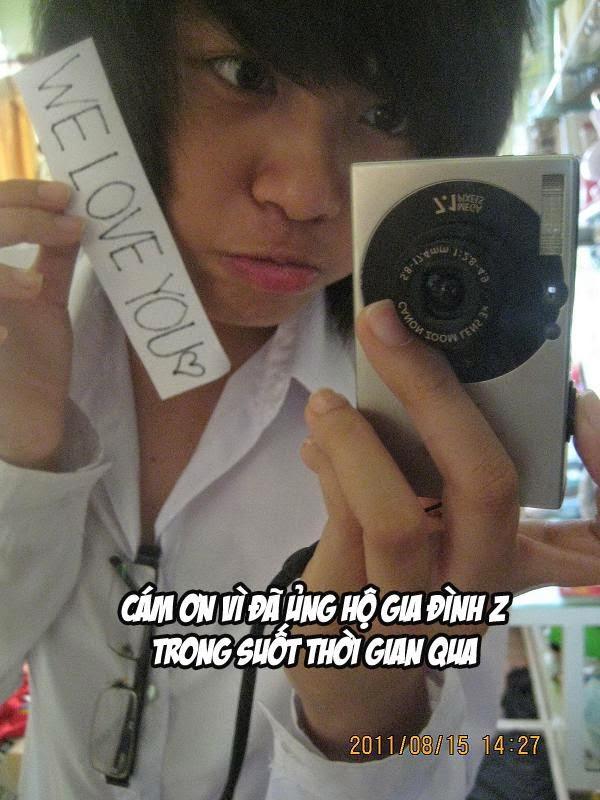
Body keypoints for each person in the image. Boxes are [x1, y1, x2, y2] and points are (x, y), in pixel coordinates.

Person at [0, 1, 599, 798]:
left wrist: (365, 729)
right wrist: (23, 467)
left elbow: (453, 761)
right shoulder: (23, 322)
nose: (308, 193)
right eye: (243, 74)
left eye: (387, 114)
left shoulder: (435, 427)